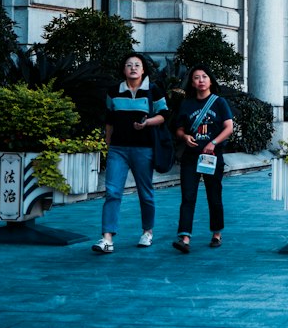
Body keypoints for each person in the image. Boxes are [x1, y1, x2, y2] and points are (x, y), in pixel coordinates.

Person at [92, 52, 169, 254]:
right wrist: (108, 144)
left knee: (145, 192)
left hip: (144, 149)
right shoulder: (113, 91)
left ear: (143, 69)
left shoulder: (153, 90)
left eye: (137, 65)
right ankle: (107, 238)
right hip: (118, 149)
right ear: (124, 69)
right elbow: (109, 119)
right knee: (112, 192)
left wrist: (147, 123)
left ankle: (147, 232)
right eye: (129, 65)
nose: (133, 68)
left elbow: (163, 116)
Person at [172, 65, 234, 252]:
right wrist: (184, 137)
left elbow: (229, 127)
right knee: (188, 196)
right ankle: (184, 237)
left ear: (210, 81)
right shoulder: (187, 104)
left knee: (214, 195)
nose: (201, 80)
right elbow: (179, 128)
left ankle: (216, 233)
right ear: (192, 82)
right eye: (196, 77)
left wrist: (213, 143)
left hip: (212, 157)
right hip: (191, 157)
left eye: (204, 76)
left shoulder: (219, 102)